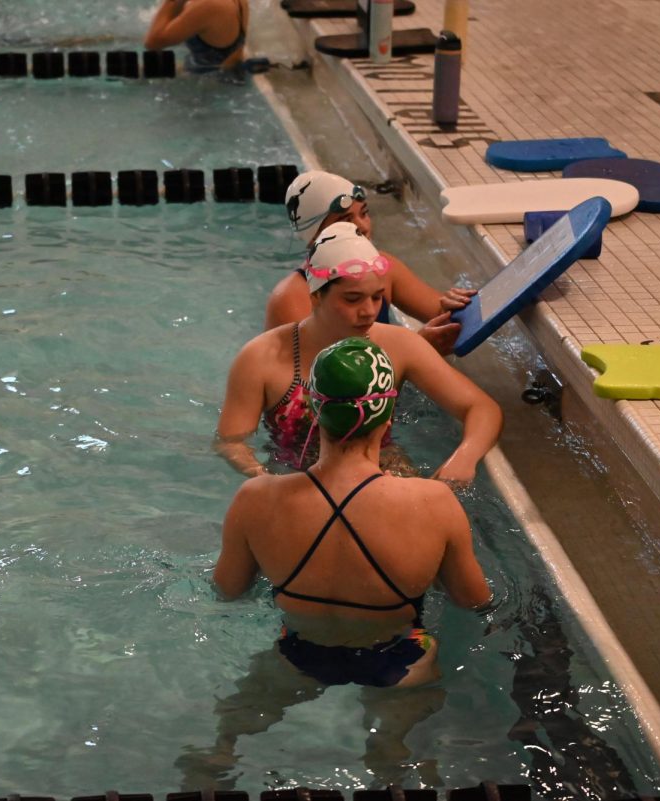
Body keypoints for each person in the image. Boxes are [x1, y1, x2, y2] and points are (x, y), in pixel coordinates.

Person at [177, 337, 491, 787]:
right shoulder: (433, 502)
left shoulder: (257, 499)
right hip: (403, 660)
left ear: (311, 407)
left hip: (298, 653)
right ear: (388, 413)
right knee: (395, 751)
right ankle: (389, 756)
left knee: (235, 722)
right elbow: (473, 600)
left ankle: (220, 756)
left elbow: (227, 590)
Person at [217, 221, 502, 482]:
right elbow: (231, 441)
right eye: (352, 299)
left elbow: (482, 408)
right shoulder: (260, 358)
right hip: (295, 479)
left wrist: (464, 459)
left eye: (377, 297)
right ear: (316, 295)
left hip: (381, 472)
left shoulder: (398, 345)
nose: (369, 312)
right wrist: (264, 478)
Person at [268, 170, 476, 355]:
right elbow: (318, 384)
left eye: (364, 213)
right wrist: (415, 349)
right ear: (313, 235)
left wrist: (456, 306)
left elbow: (451, 320)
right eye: (346, 220)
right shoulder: (292, 297)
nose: (363, 227)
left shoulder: (383, 267)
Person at [144, 0, 248, 74]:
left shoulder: (207, 5)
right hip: (226, 69)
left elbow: (152, 43)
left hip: (212, 81)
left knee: (135, 71)